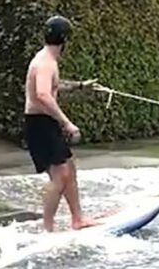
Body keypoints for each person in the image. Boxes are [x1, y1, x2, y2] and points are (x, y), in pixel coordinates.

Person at [23, 15, 99, 232]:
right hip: (39, 124)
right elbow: (43, 95)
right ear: (65, 39)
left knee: (69, 170)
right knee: (60, 176)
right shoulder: (46, 62)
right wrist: (67, 123)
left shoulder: (46, 59)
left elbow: (54, 86)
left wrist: (81, 86)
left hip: (45, 122)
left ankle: (78, 219)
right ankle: (47, 229)